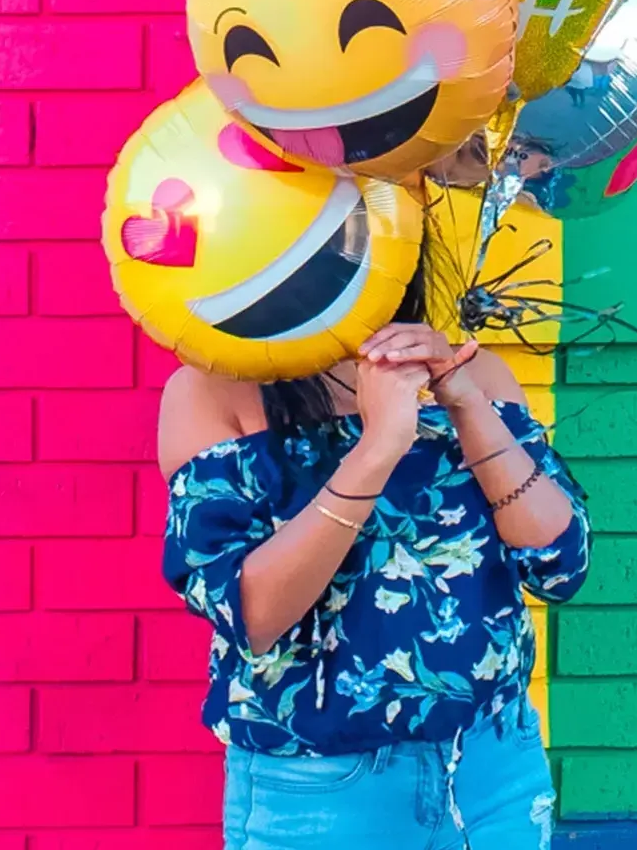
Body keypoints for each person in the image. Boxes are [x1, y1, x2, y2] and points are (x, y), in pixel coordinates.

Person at [158, 235, 593, 850]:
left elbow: (559, 567)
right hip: (320, 787)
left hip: (493, 769)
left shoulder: (476, 376)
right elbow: (251, 615)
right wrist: (380, 444)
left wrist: (466, 403)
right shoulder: (213, 392)